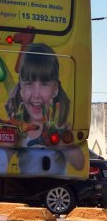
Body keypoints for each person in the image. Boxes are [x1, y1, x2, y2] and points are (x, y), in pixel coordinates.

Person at [5, 42, 84, 171]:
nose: (36, 95)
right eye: (29, 83)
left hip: (53, 189)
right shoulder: (16, 127)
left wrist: (65, 145)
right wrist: (9, 143)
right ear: (21, 88)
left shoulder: (61, 127)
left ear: (55, 89)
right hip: (23, 188)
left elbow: (80, 165)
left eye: (44, 84)